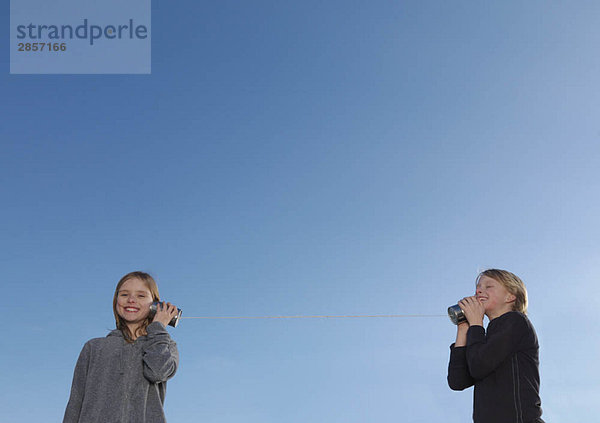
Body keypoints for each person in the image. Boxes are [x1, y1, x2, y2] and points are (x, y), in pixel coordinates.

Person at [63, 271, 179, 423]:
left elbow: (157, 373)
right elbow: (75, 402)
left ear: (156, 305)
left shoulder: (165, 346)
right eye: (124, 295)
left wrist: (158, 327)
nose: (131, 300)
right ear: (116, 300)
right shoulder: (94, 347)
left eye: (141, 296)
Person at [447, 269, 544, 423]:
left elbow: (479, 364)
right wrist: (464, 328)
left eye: (488, 286)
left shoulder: (516, 321)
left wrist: (476, 324)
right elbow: (457, 380)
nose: (479, 290)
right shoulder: (484, 338)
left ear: (510, 296)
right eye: (478, 287)